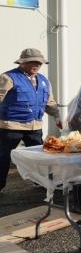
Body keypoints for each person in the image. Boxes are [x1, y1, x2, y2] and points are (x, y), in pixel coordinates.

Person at [0, 49, 61, 193]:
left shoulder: (44, 80)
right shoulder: (9, 77)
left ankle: (39, 182)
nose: (37, 65)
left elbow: (49, 102)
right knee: (3, 157)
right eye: (33, 61)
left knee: (39, 157)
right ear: (23, 63)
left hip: (35, 126)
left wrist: (57, 116)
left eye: (39, 62)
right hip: (11, 126)